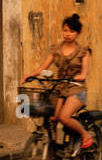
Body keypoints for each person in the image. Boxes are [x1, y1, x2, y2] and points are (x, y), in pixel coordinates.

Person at [23, 13, 95, 151]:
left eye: (71, 31)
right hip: (59, 88)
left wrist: (81, 75)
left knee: (64, 116)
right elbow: (43, 67)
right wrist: (29, 76)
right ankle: (53, 148)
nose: (67, 34)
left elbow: (85, 71)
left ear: (77, 33)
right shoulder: (56, 50)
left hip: (76, 89)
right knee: (52, 119)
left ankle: (85, 135)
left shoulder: (83, 52)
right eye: (65, 30)